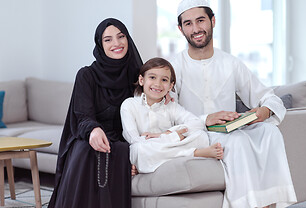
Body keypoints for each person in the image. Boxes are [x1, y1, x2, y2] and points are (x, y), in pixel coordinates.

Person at [170, 0, 297, 208]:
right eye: (188, 23)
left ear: (213, 21)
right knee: (237, 142)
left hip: (230, 130)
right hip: (196, 134)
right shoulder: (173, 67)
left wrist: (263, 112)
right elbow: (168, 114)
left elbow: (268, 96)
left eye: (200, 20)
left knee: (270, 132)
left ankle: (271, 203)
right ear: (181, 29)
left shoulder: (231, 63)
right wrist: (205, 120)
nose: (195, 28)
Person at [48, 18, 143, 208]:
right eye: (108, 39)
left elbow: (151, 103)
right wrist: (93, 130)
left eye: (121, 36)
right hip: (90, 136)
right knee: (86, 150)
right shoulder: (86, 75)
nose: (116, 43)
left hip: (124, 139)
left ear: (128, 39)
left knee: (121, 150)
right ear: (100, 45)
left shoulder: (138, 75)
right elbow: (82, 116)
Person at [120, 57, 223, 174]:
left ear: (170, 86)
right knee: (139, 150)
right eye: (152, 77)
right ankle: (194, 153)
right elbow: (134, 140)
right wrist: (173, 137)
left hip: (166, 147)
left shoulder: (171, 106)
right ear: (141, 80)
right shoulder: (129, 105)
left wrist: (165, 134)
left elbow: (197, 123)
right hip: (147, 148)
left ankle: (154, 162)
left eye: (164, 80)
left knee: (201, 136)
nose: (157, 84)